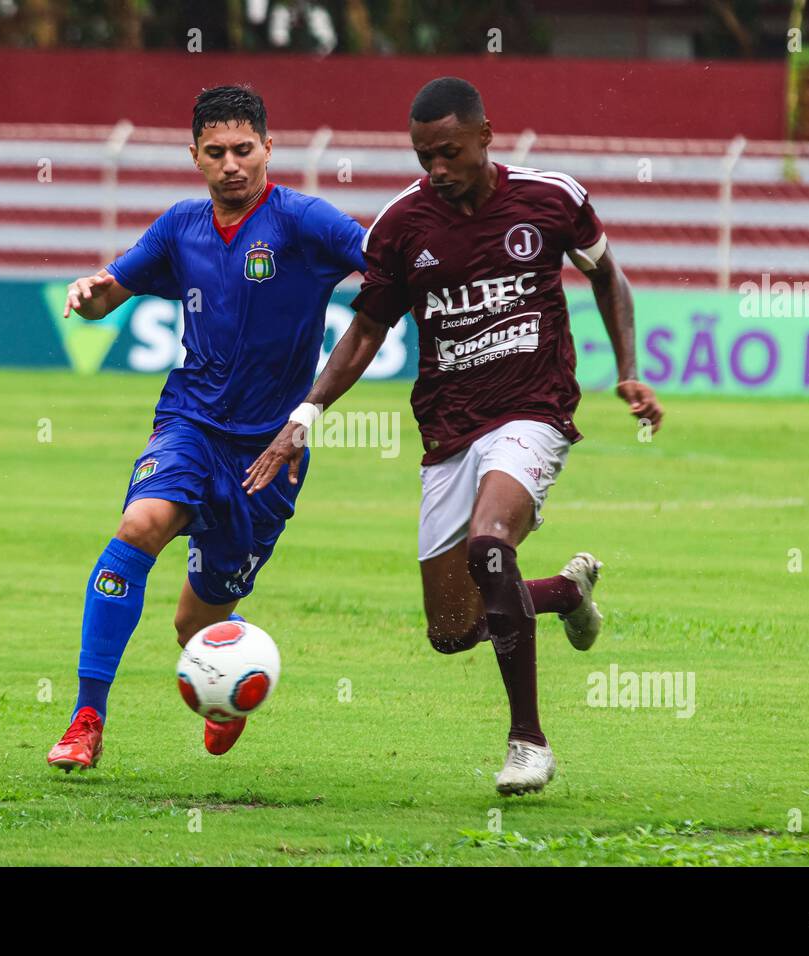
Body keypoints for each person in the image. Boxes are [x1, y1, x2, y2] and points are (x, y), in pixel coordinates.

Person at [244, 77, 664, 795]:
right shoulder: (403, 227)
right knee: (452, 629)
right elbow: (366, 332)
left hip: (535, 409)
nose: (435, 169)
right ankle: (564, 591)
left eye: (447, 153)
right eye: (422, 156)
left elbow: (608, 278)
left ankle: (528, 742)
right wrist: (303, 418)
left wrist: (629, 370)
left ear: (484, 136)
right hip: (448, 429)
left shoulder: (551, 197)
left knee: (490, 542)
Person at [47, 85, 366, 770]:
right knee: (137, 528)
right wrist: (91, 291)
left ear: (268, 149)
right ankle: (86, 719)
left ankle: (232, 690)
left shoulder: (305, 223)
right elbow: (110, 293)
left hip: (269, 456)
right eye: (215, 152)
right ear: (194, 155)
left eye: (244, 150)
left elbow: (383, 264)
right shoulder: (180, 228)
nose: (231, 165)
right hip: (189, 423)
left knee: (196, 623)